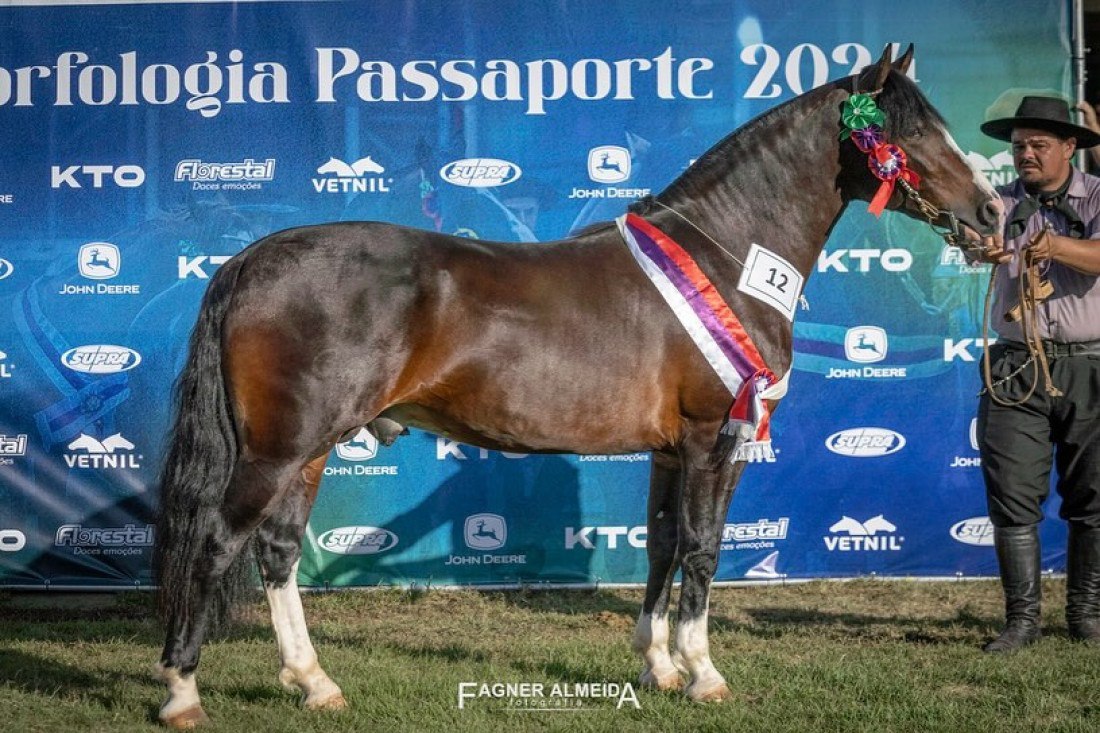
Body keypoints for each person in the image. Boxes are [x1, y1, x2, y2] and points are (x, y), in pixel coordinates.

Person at [975, 95, 1100, 652]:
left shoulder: (1097, 197)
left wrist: (1057, 246)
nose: (1025, 153)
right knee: (1012, 496)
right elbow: (975, 237)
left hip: (1091, 364)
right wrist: (979, 245)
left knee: (1094, 497)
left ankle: (1086, 615)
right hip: (1014, 364)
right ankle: (1021, 622)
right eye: (1019, 144)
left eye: (1038, 145)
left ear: (1069, 147)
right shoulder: (997, 203)